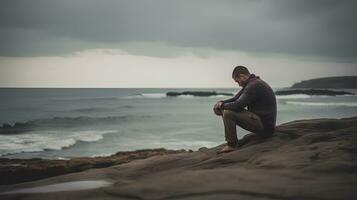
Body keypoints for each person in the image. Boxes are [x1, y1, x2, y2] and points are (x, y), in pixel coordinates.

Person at [213, 65, 277, 154]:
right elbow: (236, 98)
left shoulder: (254, 85)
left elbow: (238, 105)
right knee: (227, 109)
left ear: (242, 76)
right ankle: (232, 142)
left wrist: (222, 106)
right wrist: (220, 103)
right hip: (263, 123)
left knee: (228, 113)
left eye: (237, 81)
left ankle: (231, 144)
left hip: (265, 127)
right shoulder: (253, 83)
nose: (238, 84)